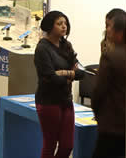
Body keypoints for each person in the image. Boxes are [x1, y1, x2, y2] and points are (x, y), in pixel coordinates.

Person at [33, 11, 84, 158]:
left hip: (66, 100)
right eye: (59, 24)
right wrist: (69, 74)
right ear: (49, 26)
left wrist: (63, 73)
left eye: (65, 24)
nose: (64, 27)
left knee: (67, 146)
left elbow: (80, 73)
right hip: (48, 101)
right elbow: (50, 77)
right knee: (50, 144)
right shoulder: (42, 48)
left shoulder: (66, 46)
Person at [92, 11, 126, 158]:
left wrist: (98, 113)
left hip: (112, 123)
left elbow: (99, 91)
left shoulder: (111, 56)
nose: (107, 30)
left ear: (119, 32)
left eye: (109, 27)